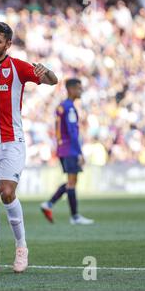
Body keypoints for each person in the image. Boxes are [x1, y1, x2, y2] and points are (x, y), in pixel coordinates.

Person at [0, 21, 57, 273]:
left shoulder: (18, 67)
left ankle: (21, 247)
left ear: (8, 44)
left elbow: (52, 80)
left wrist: (46, 71)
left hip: (11, 141)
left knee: (6, 192)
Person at [40, 79, 94, 225]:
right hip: (70, 149)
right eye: (78, 88)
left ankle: (49, 204)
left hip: (62, 148)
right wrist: (79, 153)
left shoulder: (61, 106)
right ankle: (74, 216)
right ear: (70, 89)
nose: (80, 91)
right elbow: (72, 132)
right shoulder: (69, 107)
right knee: (72, 182)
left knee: (72, 181)